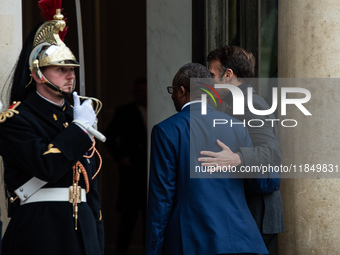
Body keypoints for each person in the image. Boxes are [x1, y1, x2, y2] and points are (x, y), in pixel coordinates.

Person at [0, 3, 104, 255]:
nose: (70, 76)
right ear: (37, 74)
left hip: (83, 230)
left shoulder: (75, 116)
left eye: (72, 70)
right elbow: (46, 166)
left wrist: (97, 237)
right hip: (42, 229)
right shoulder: (16, 118)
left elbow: (91, 187)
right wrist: (80, 129)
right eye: (60, 69)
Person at [145, 62, 279, 255]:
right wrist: (271, 175)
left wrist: (153, 249)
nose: (173, 96)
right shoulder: (236, 126)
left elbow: (162, 199)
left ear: (182, 91)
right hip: (240, 240)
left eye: (172, 91)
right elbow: (258, 181)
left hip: (191, 242)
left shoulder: (166, 131)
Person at [198, 45, 284, 253]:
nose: (208, 81)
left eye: (211, 74)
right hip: (251, 209)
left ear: (228, 75)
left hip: (257, 212)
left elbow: (272, 152)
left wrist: (235, 158)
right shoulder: (233, 102)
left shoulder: (249, 103)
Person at [105, 78, 147, 255]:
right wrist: (121, 158)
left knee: (151, 221)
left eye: (145, 90)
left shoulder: (159, 108)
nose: (142, 94)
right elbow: (108, 136)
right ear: (134, 92)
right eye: (139, 91)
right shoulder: (124, 111)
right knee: (127, 222)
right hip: (131, 174)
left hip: (152, 172)